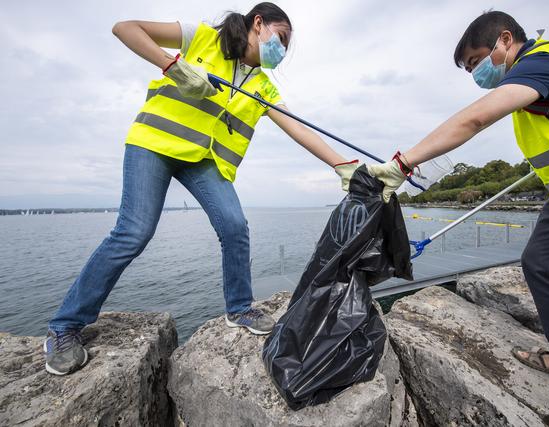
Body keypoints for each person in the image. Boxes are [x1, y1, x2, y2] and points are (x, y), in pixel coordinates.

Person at [44, 2, 360, 376]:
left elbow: (299, 128)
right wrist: (172, 66)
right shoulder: (202, 37)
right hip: (154, 145)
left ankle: (239, 309)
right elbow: (124, 27)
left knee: (234, 226)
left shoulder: (262, 85)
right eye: (282, 39)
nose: (283, 50)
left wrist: (344, 165)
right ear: (258, 24)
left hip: (204, 161)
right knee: (133, 232)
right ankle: (64, 327)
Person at [367, 10, 549, 405]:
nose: (476, 75)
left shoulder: (545, 63)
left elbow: (476, 119)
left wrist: (404, 162)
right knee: (541, 263)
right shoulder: (532, 84)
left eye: (477, 62)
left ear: (506, 40)